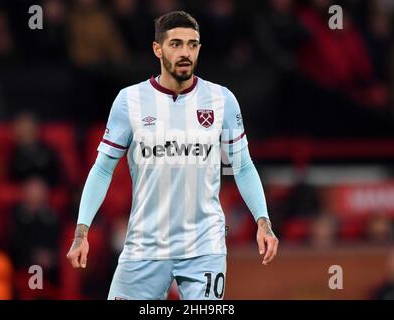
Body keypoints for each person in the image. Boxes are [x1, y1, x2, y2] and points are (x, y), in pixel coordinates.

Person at [66, 11, 278, 300]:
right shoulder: (130, 101)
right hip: (144, 246)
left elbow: (242, 167)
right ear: (157, 49)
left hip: (205, 248)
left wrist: (263, 222)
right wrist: (82, 232)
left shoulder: (222, 100)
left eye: (192, 45)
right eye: (176, 44)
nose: (185, 52)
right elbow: (102, 169)